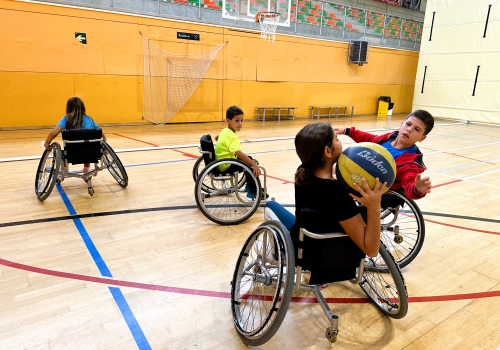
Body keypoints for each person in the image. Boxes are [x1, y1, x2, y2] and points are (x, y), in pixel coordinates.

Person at [290, 123, 386, 286]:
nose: (341, 143)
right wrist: (374, 207)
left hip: (303, 244)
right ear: (327, 151)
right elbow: (371, 250)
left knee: (272, 207)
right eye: (338, 139)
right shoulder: (337, 193)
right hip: (326, 257)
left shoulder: (303, 172)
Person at [334, 109, 434, 200]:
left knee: (332, 179)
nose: (409, 129)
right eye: (408, 124)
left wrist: (417, 189)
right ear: (401, 125)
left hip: (376, 193)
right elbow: (371, 139)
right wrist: (347, 131)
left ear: (422, 138)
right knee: (333, 167)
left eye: (417, 129)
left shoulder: (410, 162)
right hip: (363, 175)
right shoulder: (388, 138)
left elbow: (409, 183)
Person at [214, 105, 267, 199]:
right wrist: (253, 165)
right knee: (250, 164)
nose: (240, 123)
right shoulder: (232, 136)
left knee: (249, 159)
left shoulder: (225, 131)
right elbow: (238, 153)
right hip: (226, 165)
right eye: (237, 120)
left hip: (220, 161)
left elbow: (216, 137)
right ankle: (253, 191)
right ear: (228, 120)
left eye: (242, 120)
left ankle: (250, 186)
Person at [44, 97, 106, 174]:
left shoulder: (66, 119)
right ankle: (87, 169)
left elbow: (54, 132)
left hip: (72, 154)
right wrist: (105, 149)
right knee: (87, 145)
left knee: (58, 152)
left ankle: (63, 169)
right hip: (92, 154)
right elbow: (102, 134)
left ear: (68, 107)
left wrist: (47, 142)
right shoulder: (90, 119)